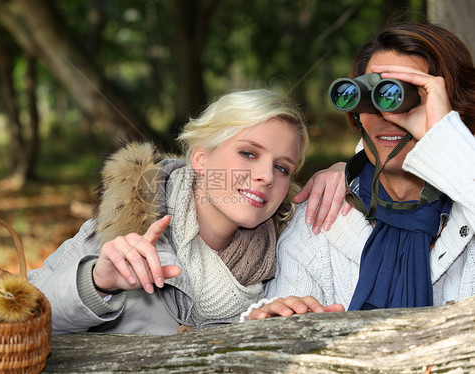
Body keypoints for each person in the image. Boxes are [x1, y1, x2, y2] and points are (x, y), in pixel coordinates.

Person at [28, 88, 347, 335]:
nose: (266, 176)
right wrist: (96, 281)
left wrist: (347, 170)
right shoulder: (128, 222)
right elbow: (21, 312)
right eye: (248, 153)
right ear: (201, 159)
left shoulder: (285, 252)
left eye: (282, 167)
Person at [243, 20, 475, 321]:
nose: (387, 115)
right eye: (372, 95)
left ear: (455, 108)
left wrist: (444, 137)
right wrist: (266, 325)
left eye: (404, 95)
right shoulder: (318, 223)